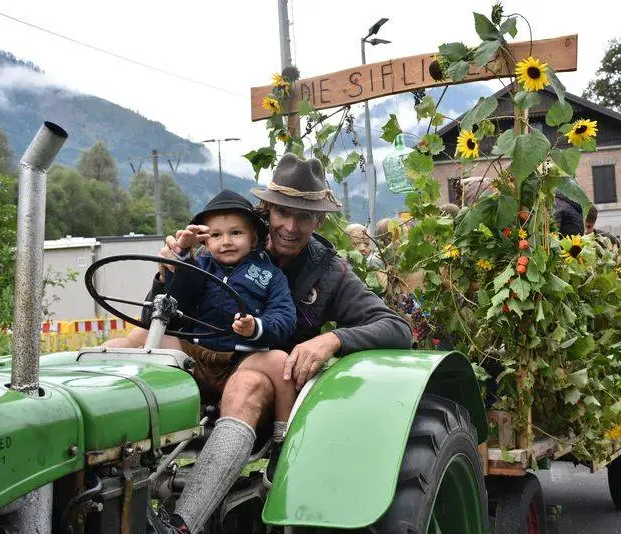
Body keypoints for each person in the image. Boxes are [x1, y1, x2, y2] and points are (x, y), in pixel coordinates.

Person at [152, 154, 412, 534]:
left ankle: (183, 523)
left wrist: (332, 339)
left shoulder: (330, 272)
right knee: (138, 347)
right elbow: (156, 317)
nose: (291, 226)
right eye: (283, 213)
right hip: (200, 366)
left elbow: (395, 327)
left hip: (267, 378)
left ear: (319, 221)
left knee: (250, 381)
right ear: (267, 210)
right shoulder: (218, 249)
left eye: (305, 216)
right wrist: (168, 272)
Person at [104, 190, 298, 484]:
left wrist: (256, 326)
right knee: (139, 341)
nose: (226, 241)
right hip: (194, 356)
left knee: (280, 361)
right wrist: (179, 259)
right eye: (216, 235)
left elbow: (285, 318)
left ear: (254, 238)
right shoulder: (199, 268)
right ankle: (114, 411)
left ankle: (284, 438)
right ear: (205, 240)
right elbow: (175, 298)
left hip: (241, 359)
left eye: (236, 233)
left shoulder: (269, 275)